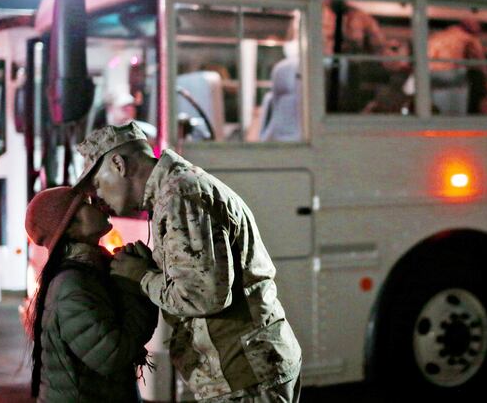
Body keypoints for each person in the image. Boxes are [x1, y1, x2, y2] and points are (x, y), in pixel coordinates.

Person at [75, 122, 302, 402]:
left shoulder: (179, 195)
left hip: (243, 373)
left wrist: (142, 276)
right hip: (242, 369)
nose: (96, 196)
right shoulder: (175, 190)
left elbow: (203, 295)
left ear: (119, 164)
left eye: (96, 183)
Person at [25, 186, 158, 402]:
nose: (101, 205)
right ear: (69, 227)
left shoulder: (93, 271)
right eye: (87, 204)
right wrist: (133, 284)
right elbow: (112, 356)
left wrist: (138, 275)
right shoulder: (72, 285)